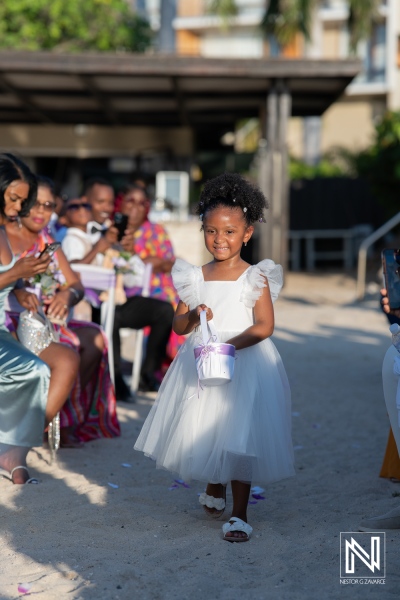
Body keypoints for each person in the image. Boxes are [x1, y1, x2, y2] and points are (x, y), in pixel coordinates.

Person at [134, 173, 295, 542]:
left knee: (239, 432)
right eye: (211, 231)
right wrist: (193, 316)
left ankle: (239, 513)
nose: (219, 240)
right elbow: (178, 325)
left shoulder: (256, 276)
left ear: (247, 233)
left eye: (229, 232)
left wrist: (228, 347)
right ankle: (215, 483)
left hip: (244, 360)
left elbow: (264, 326)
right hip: (201, 362)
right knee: (206, 423)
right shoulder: (194, 276)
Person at [6, 177, 120, 446]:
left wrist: (67, 295)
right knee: (69, 345)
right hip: (12, 320)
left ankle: (64, 416)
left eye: (48, 205)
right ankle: (36, 426)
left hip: (45, 321)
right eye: (34, 204)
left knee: (95, 337)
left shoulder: (47, 242)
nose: (40, 212)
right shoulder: (6, 236)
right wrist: (16, 291)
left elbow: (76, 284)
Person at [0, 154, 71, 484]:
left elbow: (74, 283)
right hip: (10, 324)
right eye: (15, 199)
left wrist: (21, 288)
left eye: (22, 201)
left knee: (44, 367)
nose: (20, 208)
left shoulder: (16, 232)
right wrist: (16, 275)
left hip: (11, 324)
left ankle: (16, 447)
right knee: (35, 368)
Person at [113, 184, 178, 395]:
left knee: (177, 306)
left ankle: (153, 371)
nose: (136, 207)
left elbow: (169, 262)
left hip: (157, 286)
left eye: (142, 203)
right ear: (120, 203)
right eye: (131, 200)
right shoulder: (111, 230)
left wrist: (150, 262)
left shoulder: (156, 230)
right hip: (122, 291)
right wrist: (148, 261)